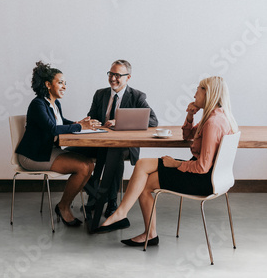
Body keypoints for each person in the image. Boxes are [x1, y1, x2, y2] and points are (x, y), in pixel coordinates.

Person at [96, 76, 238, 246]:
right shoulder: (217, 117)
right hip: (213, 176)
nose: (194, 95)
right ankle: (122, 213)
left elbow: (202, 167)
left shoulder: (213, 123)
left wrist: (176, 164)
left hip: (202, 179)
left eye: (199, 89)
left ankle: (146, 231)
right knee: (142, 165)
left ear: (209, 93)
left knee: (145, 183)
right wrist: (190, 115)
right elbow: (187, 136)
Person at [16, 61, 100, 226]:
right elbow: (52, 128)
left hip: (48, 151)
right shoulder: (38, 104)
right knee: (83, 167)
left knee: (89, 164)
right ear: (48, 84)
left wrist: (78, 122)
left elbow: (60, 122)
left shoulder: (55, 104)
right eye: (60, 82)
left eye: (65, 83)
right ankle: (63, 207)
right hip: (32, 156)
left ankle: (66, 204)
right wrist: (79, 126)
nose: (64, 86)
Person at [82, 60, 158, 218]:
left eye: (118, 75)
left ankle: (109, 201)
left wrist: (120, 122)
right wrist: (91, 122)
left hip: (125, 147)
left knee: (114, 154)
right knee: (88, 154)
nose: (113, 78)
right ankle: (97, 197)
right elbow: (92, 117)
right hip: (101, 143)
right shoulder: (100, 94)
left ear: (128, 77)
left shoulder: (137, 96)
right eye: (111, 74)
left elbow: (153, 121)